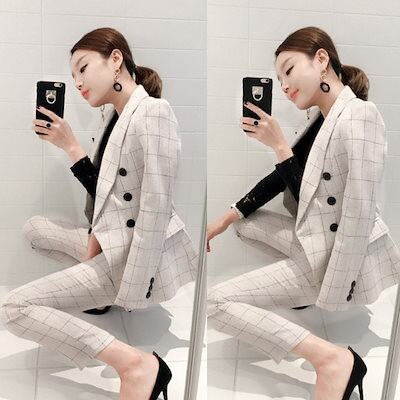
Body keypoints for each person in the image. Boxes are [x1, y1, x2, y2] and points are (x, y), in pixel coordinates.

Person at [0, 27, 198, 400]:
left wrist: (132, 287)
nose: (77, 82)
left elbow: (155, 207)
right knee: (35, 229)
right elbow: (110, 198)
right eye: (73, 74)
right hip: (109, 240)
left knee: (15, 307)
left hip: (130, 258)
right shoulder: (114, 115)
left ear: (116, 59)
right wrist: (94, 241)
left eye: (83, 68)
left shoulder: (153, 112)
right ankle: (101, 298)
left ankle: (136, 365)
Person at [207, 26, 400, 400]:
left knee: (216, 303)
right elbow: (285, 180)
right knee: (245, 226)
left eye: (289, 70)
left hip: (333, 258)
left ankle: (333, 360)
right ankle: (300, 291)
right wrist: (227, 216)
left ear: (321, 60)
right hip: (318, 239)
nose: (283, 85)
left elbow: (357, 213)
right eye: (279, 79)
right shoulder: (322, 118)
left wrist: (334, 289)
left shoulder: (360, 115)